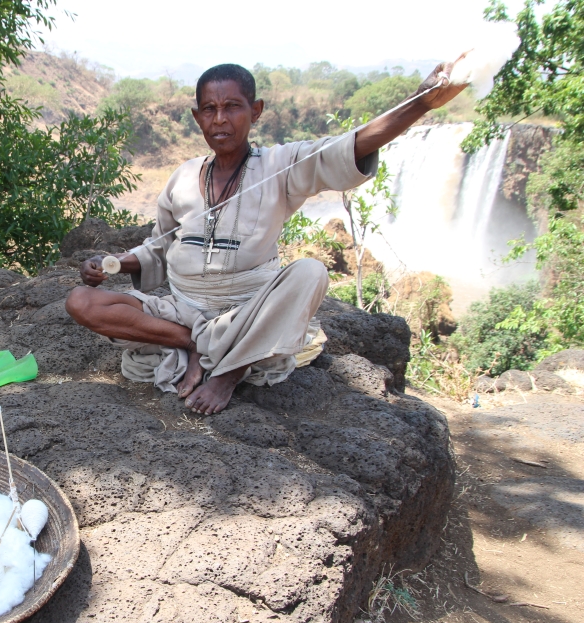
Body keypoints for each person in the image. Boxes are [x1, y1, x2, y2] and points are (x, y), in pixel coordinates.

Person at [65, 61, 467, 415]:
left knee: (310, 272)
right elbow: (161, 244)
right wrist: (113, 264)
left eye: (232, 107)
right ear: (197, 117)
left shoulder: (280, 165)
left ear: (255, 111)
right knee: (81, 301)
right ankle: (193, 345)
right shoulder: (183, 176)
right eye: (210, 109)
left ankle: (229, 372)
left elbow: (349, 146)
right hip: (180, 311)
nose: (220, 119)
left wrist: (420, 102)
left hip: (247, 316)